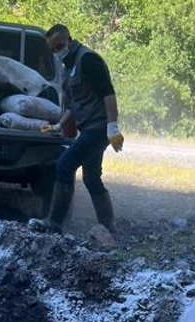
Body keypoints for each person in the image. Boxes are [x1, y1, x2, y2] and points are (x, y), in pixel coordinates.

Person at [28, 24, 124, 234]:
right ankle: (108, 227)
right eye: (52, 49)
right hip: (88, 127)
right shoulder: (68, 68)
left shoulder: (88, 60)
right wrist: (59, 125)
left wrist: (112, 127)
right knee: (91, 177)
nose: (57, 52)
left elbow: (108, 93)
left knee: (64, 165)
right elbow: (75, 104)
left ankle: (54, 223)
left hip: (98, 128)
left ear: (69, 40)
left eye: (59, 46)